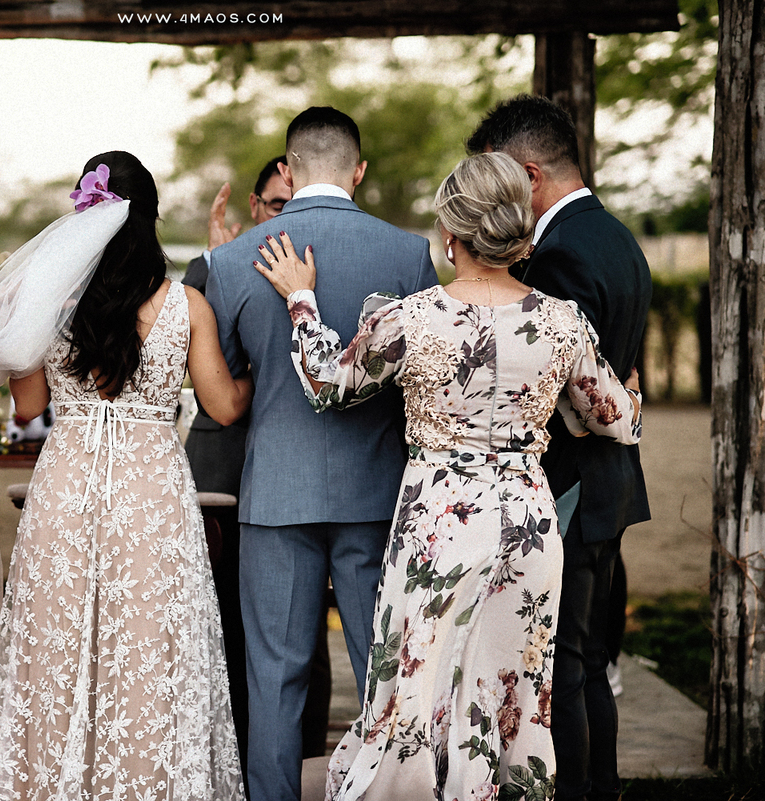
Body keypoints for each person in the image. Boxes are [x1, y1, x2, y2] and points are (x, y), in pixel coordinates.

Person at [254, 151, 643, 801]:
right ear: (519, 235)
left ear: (449, 235)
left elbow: (327, 384)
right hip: (526, 524)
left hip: (439, 522)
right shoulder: (562, 320)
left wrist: (300, 299)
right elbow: (614, 419)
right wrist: (626, 396)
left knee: (420, 685)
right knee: (512, 693)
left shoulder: (409, 319)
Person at [0, 151, 251, 800]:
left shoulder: (52, 306)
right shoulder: (186, 306)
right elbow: (224, 405)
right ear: (148, 219)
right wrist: (263, 366)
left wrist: (20, 326)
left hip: (67, 483)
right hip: (150, 490)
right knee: (149, 648)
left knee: (58, 649)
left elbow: (31, 408)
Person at [206, 106, 439, 801]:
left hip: (276, 492)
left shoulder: (230, 260)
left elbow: (230, 380)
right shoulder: (407, 255)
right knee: (379, 669)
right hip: (376, 494)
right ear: (358, 170)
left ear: (288, 169)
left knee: (275, 674)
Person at [467, 94, 652, 801]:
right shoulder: (618, 237)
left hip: (568, 487)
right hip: (608, 486)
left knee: (561, 666)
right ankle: (601, 785)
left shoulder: (560, 256)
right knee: (587, 657)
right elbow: (622, 375)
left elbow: (564, 389)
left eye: (499, 178)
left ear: (530, 172)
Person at [182, 156, 332, 767]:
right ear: (253, 204)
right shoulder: (210, 267)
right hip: (222, 457)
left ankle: (300, 759)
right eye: (275, 205)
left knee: (300, 626)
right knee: (217, 617)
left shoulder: (326, 266)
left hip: (300, 466)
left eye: (294, 202)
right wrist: (222, 275)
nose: (286, 215)